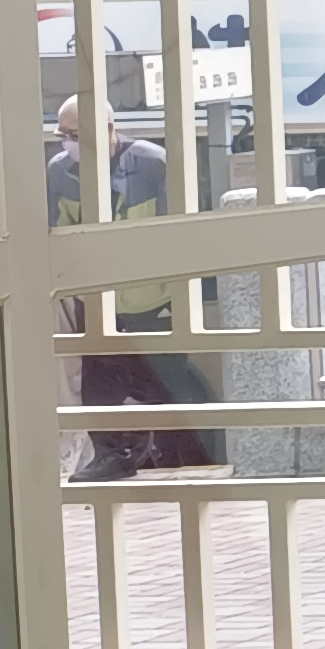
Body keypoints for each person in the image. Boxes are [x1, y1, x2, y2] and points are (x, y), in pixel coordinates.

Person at [47, 93, 220, 476]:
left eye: (76, 134)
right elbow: (56, 235)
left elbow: (181, 233)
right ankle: (112, 455)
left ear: (108, 129)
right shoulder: (60, 172)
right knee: (98, 385)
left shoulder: (152, 163)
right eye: (64, 135)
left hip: (153, 299)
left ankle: (189, 461)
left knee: (165, 385)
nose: (68, 143)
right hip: (97, 301)